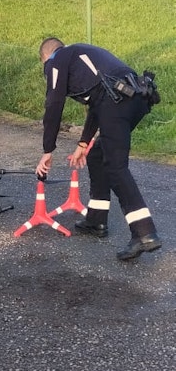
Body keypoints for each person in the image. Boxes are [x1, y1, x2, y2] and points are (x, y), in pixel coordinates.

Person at [35, 37, 161, 261]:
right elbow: (97, 101)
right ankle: (96, 220)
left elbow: (54, 103)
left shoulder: (56, 60)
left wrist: (47, 150)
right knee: (97, 153)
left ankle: (144, 233)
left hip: (116, 101)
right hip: (136, 96)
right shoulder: (82, 56)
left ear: (46, 57)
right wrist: (83, 144)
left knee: (116, 166)